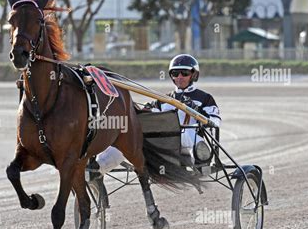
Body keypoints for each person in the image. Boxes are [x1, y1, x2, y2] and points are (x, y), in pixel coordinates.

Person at [89, 54, 221, 179]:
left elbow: (215, 122)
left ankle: (201, 161)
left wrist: (196, 109)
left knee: (187, 136)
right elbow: (145, 114)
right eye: (175, 73)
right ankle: (98, 168)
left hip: (189, 139)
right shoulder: (163, 99)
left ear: (193, 75)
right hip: (163, 142)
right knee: (127, 142)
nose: (180, 77)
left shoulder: (205, 98)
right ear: (171, 76)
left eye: (184, 73)